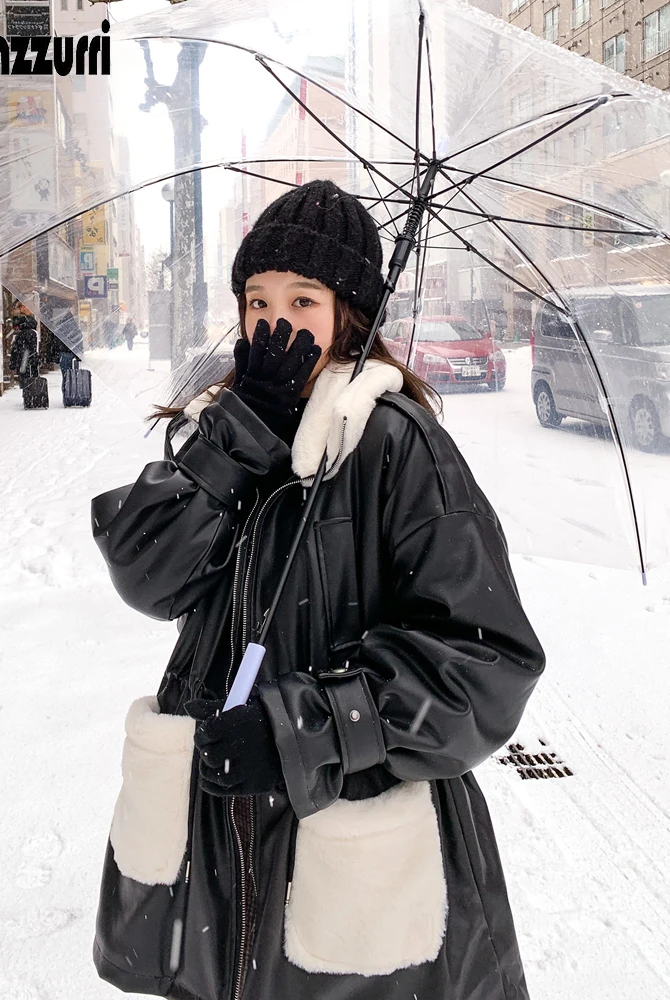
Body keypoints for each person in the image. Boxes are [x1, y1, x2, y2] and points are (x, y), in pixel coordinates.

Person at [90, 180, 546, 1000]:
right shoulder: (220, 426)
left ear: (349, 319)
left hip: (342, 826)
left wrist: (308, 728)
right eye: (258, 300)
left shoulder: (396, 446)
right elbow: (144, 572)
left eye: (304, 299)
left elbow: (488, 664)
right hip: (219, 827)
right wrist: (241, 435)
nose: (277, 322)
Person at [8, 313, 39, 387]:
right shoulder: (34, 333)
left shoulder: (22, 334)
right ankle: (32, 393)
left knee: (25, 382)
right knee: (33, 382)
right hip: (33, 362)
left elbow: (16, 349)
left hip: (23, 362)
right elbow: (35, 349)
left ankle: (27, 393)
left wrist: (13, 363)